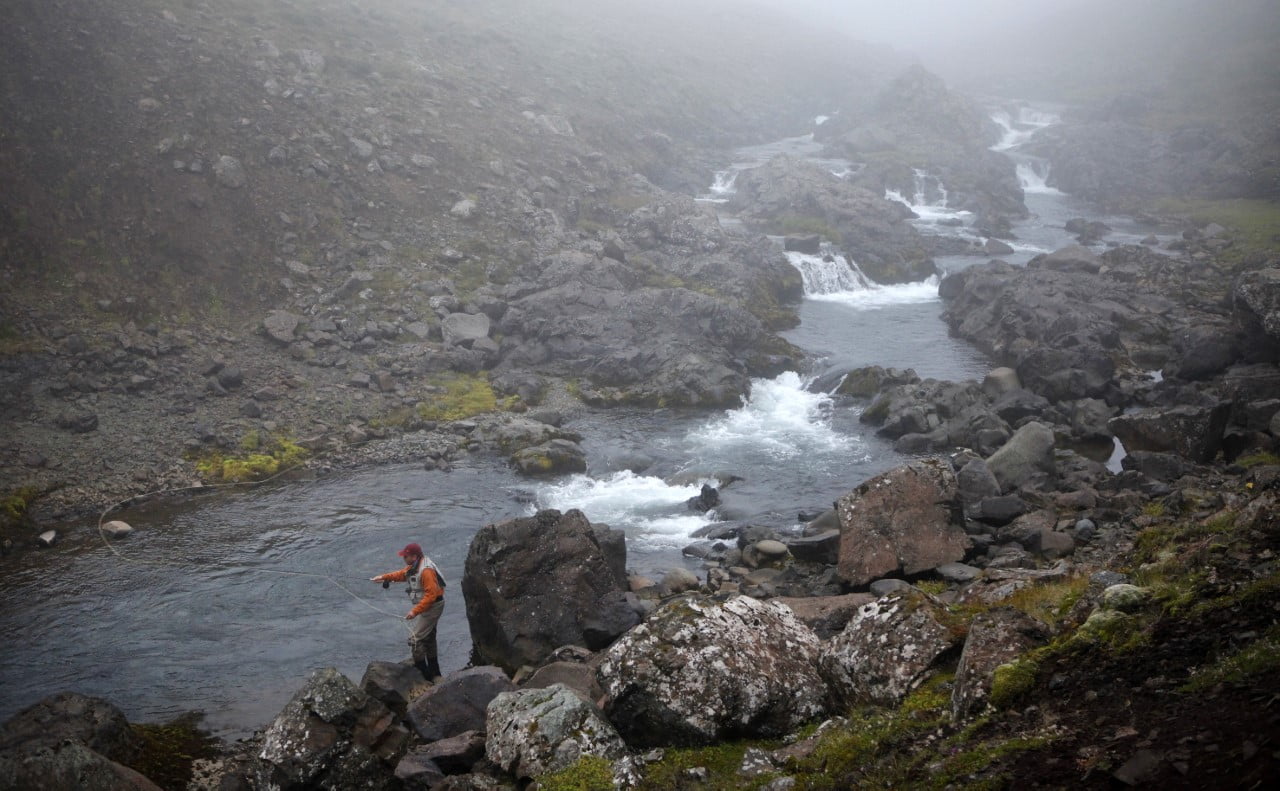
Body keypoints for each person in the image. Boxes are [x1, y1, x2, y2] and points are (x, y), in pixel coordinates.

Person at [371, 542, 445, 681]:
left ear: (414, 556)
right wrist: (383, 577)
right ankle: (435, 673)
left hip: (433, 606)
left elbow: (431, 596)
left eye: (405, 556)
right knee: (429, 637)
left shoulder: (426, 571)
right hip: (429, 606)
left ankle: (425, 676)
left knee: (415, 639)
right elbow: (402, 574)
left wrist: (414, 612)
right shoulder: (416, 565)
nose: (403, 558)